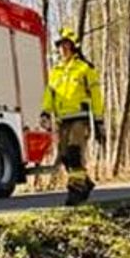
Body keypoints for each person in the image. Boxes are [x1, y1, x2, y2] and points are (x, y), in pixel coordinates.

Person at [41, 27, 105, 205]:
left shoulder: (85, 69)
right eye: (61, 46)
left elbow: (96, 97)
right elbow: (50, 94)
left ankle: (75, 192)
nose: (63, 49)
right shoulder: (56, 71)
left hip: (80, 119)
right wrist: (45, 112)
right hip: (63, 120)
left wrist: (99, 121)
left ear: (74, 47)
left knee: (74, 152)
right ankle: (85, 182)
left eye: (66, 45)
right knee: (65, 157)